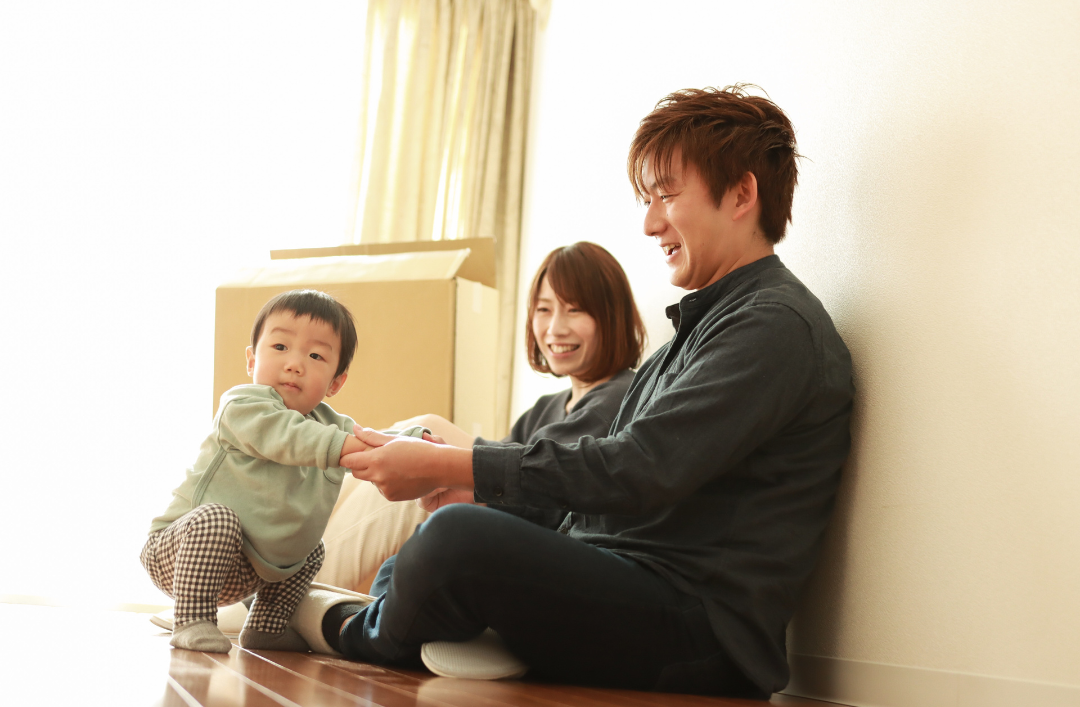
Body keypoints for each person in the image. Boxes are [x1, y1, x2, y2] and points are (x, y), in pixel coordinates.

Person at [329, 85, 854, 698]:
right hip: (629, 586)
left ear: (741, 193)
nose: (651, 222)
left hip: (698, 633)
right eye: (647, 199)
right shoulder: (692, 337)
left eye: (667, 195)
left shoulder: (774, 325)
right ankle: (414, 624)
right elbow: (589, 497)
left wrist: (455, 462)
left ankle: (341, 627)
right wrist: (467, 485)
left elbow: (637, 469)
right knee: (453, 525)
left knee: (457, 541)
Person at [313, 241, 647, 591]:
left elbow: (532, 491)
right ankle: (290, 572)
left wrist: (431, 458)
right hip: (497, 535)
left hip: (542, 562)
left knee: (424, 447)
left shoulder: (620, 397)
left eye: (574, 310)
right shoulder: (548, 406)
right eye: (544, 309)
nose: (555, 328)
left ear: (611, 316)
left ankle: (297, 593)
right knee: (419, 441)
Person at [140, 289, 423, 653]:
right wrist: (347, 448)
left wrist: (416, 440)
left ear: (336, 382)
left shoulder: (328, 424)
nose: (294, 363)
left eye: (316, 355)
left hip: (250, 566)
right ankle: (192, 619)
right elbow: (290, 437)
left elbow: (372, 437)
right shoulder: (242, 406)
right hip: (180, 551)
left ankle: (267, 626)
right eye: (280, 348)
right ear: (250, 360)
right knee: (217, 518)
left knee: (310, 548)